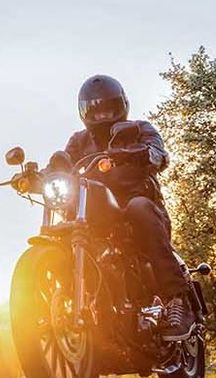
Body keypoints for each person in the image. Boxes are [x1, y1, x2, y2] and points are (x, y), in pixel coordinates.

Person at [61, 74, 189, 338]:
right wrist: (45, 172)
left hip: (141, 212)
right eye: (96, 110)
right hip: (96, 217)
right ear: (85, 112)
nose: (103, 115)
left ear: (121, 105)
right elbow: (65, 163)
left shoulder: (140, 129)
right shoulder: (78, 141)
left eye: (109, 108)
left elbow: (158, 155)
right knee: (67, 225)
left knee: (139, 207)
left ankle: (177, 301)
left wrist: (138, 154)